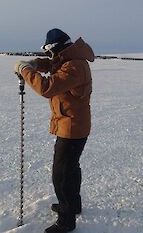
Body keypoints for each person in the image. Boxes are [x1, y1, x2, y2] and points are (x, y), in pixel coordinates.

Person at [14, 28, 94, 233]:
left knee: (61, 175)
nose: (50, 56)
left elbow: (48, 87)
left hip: (72, 128)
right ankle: (72, 205)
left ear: (56, 49)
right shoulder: (69, 60)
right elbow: (52, 64)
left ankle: (66, 221)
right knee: (71, 169)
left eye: (50, 52)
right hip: (72, 124)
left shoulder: (74, 66)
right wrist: (35, 64)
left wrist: (25, 71)